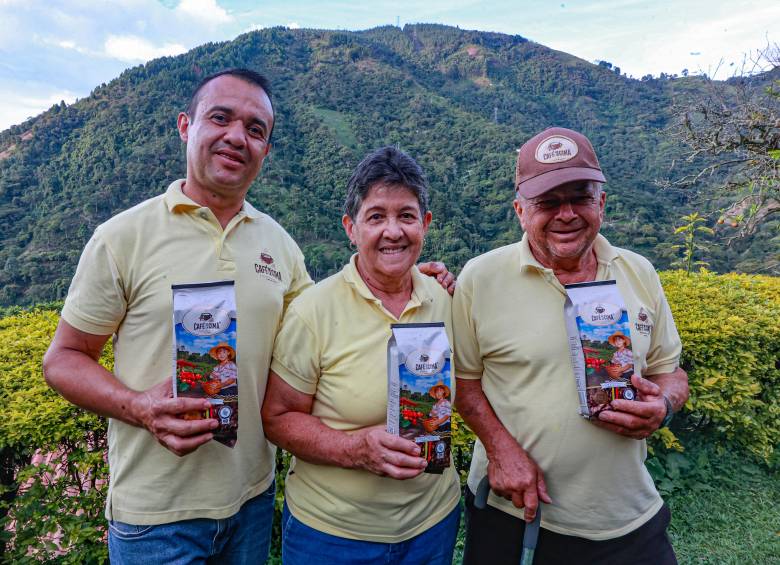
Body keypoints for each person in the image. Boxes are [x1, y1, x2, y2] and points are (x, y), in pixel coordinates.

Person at [42, 67, 455, 564]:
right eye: (221, 118)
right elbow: (63, 359)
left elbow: (330, 318)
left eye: (256, 129)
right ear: (185, 125)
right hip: (156, 514)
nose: (237, 136)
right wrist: (139, 407)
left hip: (253, 501)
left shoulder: (277, 244)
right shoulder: (121, 237)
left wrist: (406, 272)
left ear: (266, 150)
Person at [453, 126, 690, 565]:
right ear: (520, 211)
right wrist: (501, 452)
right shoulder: (480, 278)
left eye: (579, 196)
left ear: (601, 203)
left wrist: (665, 406)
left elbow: (670, 372)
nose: (566, 214)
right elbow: (463, 384)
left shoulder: (639, 273)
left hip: (628, 516)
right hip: (514, 513)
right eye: (548, 202)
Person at [261, 147, 461, 565]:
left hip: (433, 525)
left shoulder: (445, 299)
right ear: (351, 228)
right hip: (333, 536)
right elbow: (277, 418)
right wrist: (355, 449)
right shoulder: (313, 311)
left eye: (406, 216)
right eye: (376, 217)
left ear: (425, 224)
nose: (393, 231)